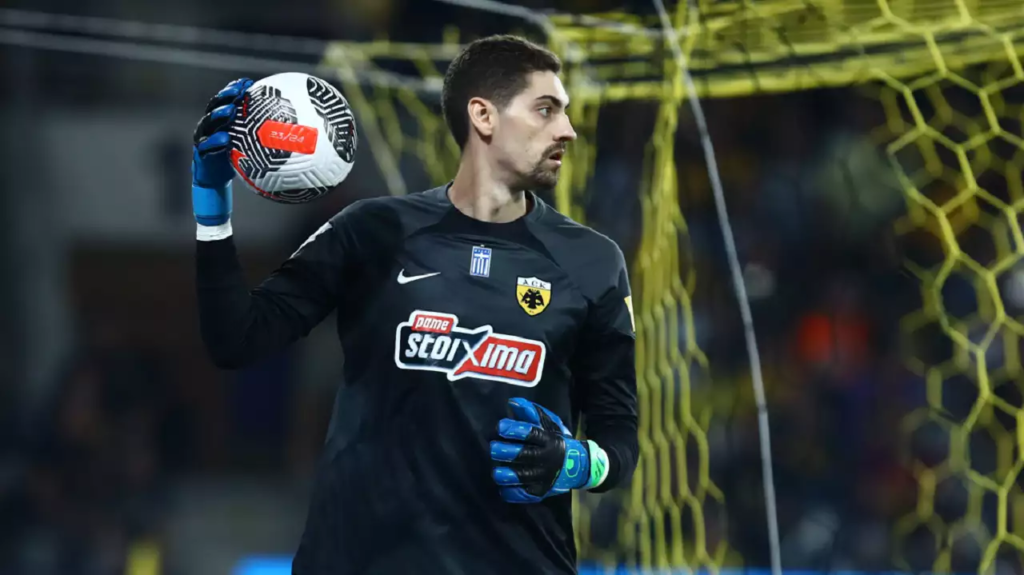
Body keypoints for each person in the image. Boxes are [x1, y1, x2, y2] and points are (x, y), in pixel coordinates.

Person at [191, 34, 639, 575]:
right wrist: (212, 206)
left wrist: (577, 463)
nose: (567, 129)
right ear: (484, 117)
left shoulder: (592, 261)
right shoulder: (372, 230)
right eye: (546, 109)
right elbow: (236, 341)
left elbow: (619, 438)